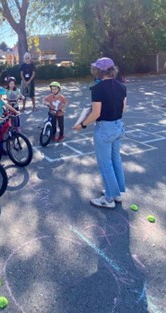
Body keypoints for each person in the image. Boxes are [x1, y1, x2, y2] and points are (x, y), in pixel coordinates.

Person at [73, 57, 127, 209]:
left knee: (105, 164)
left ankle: (108, 199)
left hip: (105, 128)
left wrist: (82, 125)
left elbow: (96, 113)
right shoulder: (122, 86)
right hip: (118, 126)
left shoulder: (97, 88)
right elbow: (123, 109)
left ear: (99, 71)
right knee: (116, 159)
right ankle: (116, 193)